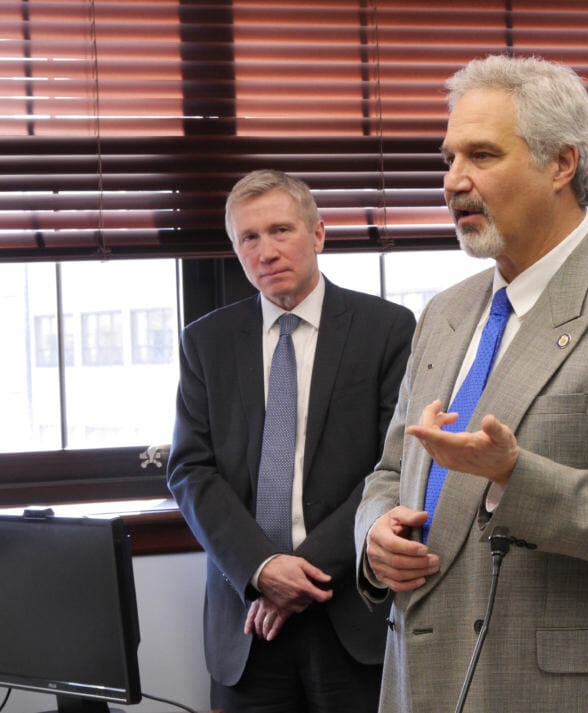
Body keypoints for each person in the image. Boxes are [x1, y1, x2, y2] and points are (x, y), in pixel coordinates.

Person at [354, 55, 588, 713]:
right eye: (448, 158)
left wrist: (514, 478)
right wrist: (376, 535)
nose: (454, 181)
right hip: (420, 683)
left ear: (561, 164)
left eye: (482, 155)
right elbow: (388, 470)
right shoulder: (444, 312)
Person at [168, 169, 415, 713]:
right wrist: (261, 570)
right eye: (248, 238)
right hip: (247, 622)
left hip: (350, 609)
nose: (266, 251)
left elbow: (395, 466)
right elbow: (191, 470)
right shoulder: (205, 342)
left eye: (281, 230)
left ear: (319, 234)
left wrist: (298, 575)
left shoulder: (388, 329)